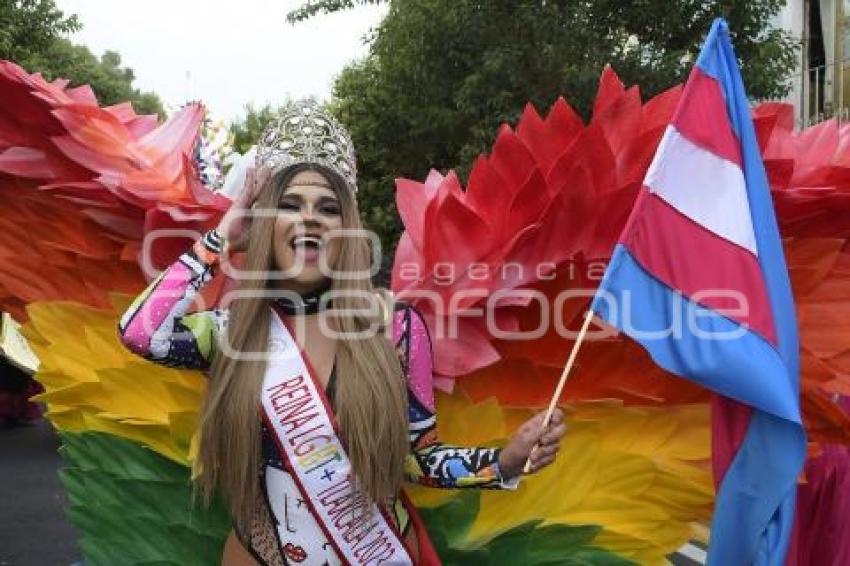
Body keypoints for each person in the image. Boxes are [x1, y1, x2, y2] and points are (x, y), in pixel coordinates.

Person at [117, 99, 566, 565]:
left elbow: (414, 457)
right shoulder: (233, 329)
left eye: (327, 209)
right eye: (289, 206)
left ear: (345, 228)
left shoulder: (394, 327)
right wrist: (223, 235)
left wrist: (503, 463)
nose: (310, 218)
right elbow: (140, 332)